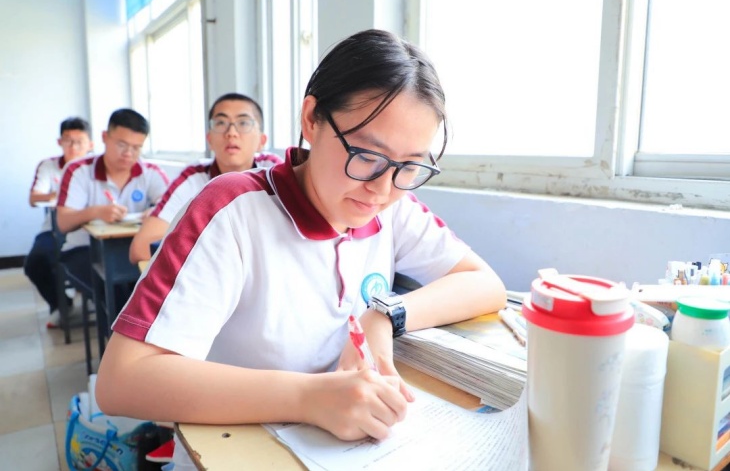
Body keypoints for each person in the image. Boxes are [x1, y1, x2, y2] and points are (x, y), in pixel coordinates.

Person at [96, 29, 507, 469]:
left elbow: (484, 284)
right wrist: (309, 398)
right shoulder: (233, 210)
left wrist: (384, 315)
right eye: (367, 155)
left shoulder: (392, 208)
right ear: (312, 119)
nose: (382, 188)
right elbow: (122, 381)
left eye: (409, 166)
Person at [128, 93, 282, 264]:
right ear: (209, 139)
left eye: (243, 123)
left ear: (262, 140)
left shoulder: (273, 170)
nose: (231, 133)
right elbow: (142, 247)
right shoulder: (195, 177)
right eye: (221, 123)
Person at [56, 108, 169, 294]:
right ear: (104, 137)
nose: (128, 153)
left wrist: (156, 212)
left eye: (136, 147)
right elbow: (63, 223)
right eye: (122, 145)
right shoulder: (78, 170)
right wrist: (96, 212)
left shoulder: (151, 172)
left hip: (132, 247)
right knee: (117, 296)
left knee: (152, 290)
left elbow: (172, 208)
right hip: (83, 249)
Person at [25, 117, 94, 328]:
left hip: (91, 228)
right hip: (55, 228)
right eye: (68, 141)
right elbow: (34, 198)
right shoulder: (49, 166)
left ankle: (99, 300)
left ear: (90, 144)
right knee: (35, 262)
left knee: (100, 260)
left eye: (79, 142)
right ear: (59, 142)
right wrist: (61, 195)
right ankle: (61, 305)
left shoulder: (97, 166)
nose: (73, 147)